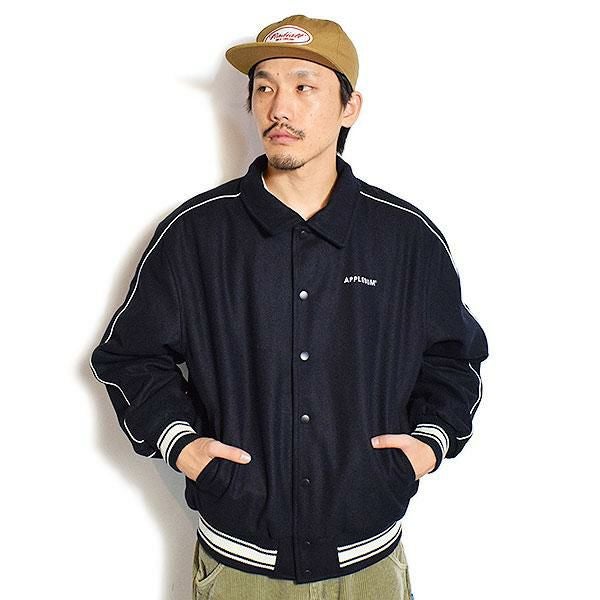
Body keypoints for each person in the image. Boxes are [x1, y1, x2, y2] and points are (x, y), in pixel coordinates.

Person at [90, 13, 488, 600]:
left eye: (305, 87)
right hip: (240, 565)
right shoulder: (196, 234)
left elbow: (454, 358)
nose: (280, 108)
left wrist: (426, 445)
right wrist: (183, 445)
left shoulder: (405, 239)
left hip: (370, 562)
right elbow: (130, 357)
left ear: (349, 108)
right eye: (265, 87)